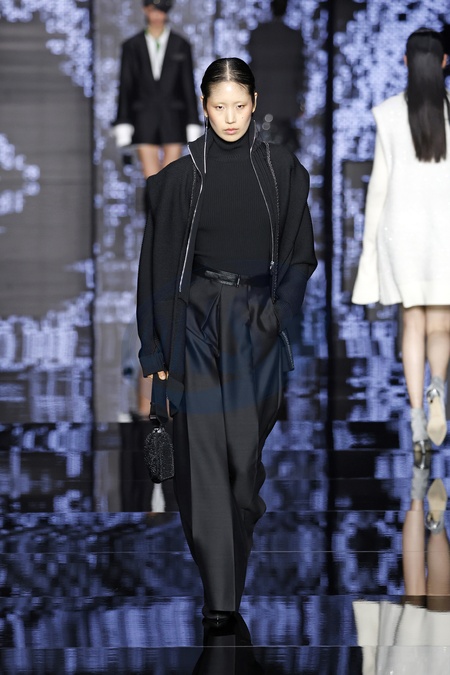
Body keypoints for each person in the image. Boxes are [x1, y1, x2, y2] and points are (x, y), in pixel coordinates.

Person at [136, 57, 317, 623]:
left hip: (257, 326)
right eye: (220, 107)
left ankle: (230, 567)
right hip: (196, 320)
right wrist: (155, 349)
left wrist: (279, 316)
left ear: (255, 104)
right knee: (203, 459)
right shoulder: (180, 178)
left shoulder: (282, 170)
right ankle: (220, 599)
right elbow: (154, 266)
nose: (231, 117)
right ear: (204, 106)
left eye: (240, 105)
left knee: (243, 466)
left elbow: (300, 256)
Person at [352, 28, 450, 466]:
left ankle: (416, 419)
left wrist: (369, 246)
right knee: (441, 324)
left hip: (403, 228)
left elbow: (379, 187)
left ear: (407, 62)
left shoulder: (388, 114)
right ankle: (437, 391)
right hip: (444, 226)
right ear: (444, 62)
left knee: (411, 322)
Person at [112, 0, 200, 179]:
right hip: (143, 117)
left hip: (174, 117)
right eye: (153, 10)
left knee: (171, 179)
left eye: (162, 11)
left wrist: (192, 121)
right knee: (152, 180)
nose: (157, 15)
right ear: (145, 9)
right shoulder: (132, 46)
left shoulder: (180, 44)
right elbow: (126, 87)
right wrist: (123, 121)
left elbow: (188, 86)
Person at [247, 0, 305, 153]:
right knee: (284, 157)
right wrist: (300, 103)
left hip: (262, 102)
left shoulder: (257, 34)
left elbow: (251, 69)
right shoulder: (294, 36)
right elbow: (300, 73)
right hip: (286, 105)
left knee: (261, 156)